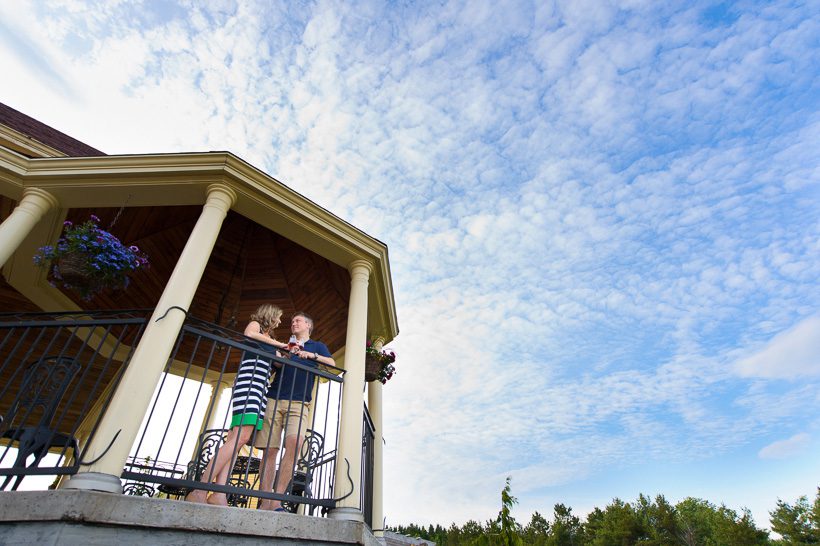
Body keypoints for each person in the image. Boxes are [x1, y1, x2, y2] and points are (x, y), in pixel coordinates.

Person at [186, 304, 287, 505]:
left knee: (236, 439)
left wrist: (291, 352)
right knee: (241, 437)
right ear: (271, 316)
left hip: (260, 389)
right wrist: (280, 345)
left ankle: (218, 493)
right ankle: (200, 488)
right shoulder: (256, 325)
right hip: (248, 383)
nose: (280, 321)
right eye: (279, 318)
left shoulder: (272, 341)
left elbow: (279, 363)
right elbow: (249, 333)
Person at [255, 311, 334, 511]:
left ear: (308, 325)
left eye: (297, 321)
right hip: (274, 398)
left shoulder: (317, 346)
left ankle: (277, 499)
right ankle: (266, 500)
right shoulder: (286, 344)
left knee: (295, 444)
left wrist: (311, 355)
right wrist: (279, 356)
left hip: (299, 403)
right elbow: (276, 366)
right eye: (291, 322)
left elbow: (332, 364)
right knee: (270, 450)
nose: (293, 323)